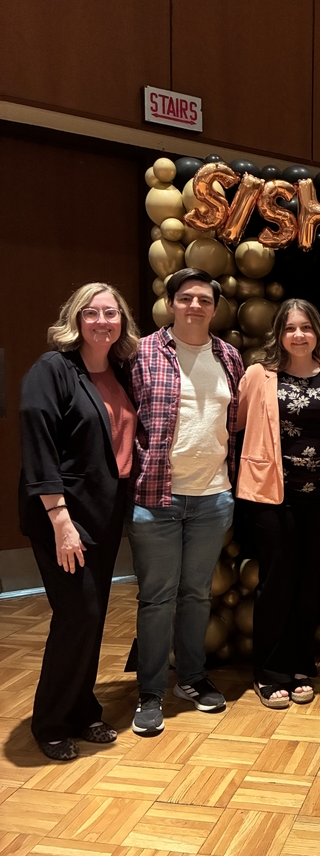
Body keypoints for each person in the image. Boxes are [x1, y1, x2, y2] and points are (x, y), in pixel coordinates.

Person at [19, 284, 140, 760]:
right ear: (75, 319)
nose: (102, 320)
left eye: (111, 313)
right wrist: (60, 519)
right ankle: (49, 720)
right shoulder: (52, 370)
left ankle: (82, 707)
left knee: (92, 619)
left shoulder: (119, 372)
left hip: (104, 515)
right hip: (63, 520)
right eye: (91, 313)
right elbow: (38, 446)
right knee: (78, 616)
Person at [127, 267, 244, 736]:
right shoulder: (140, 353)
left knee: (197, 594)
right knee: (157, 598)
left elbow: (232, 421)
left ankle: (191, 678)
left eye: (204, 300)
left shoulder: (229, 357)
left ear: (214, 308)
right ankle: (150, 691)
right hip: (156, 496)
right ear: (171, 303)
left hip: (213, 495)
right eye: (186, 298)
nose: (195, 306)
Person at [236, 299, 320, 709]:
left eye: (305, 327)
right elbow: (237, 424)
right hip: (271, 495)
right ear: (278, 335)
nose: (298, 335)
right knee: (276, 582)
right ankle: (269, 671)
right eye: (290, 328)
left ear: (317, 331)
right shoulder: (259, 374)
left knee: (309, 581)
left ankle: (301, 662)